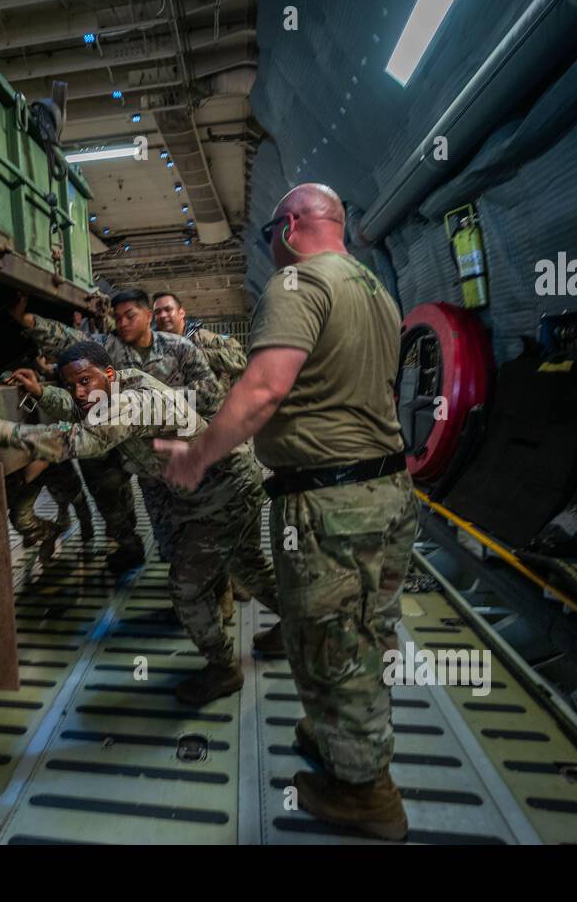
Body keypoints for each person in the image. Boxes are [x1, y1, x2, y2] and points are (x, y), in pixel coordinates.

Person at [154, 182, 416, 840]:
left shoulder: (298, 285)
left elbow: (265, 387)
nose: (270, 248)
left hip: (330, 503)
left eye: (271, 234)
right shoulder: (375, 289)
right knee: (366, 629)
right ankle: (339, 736)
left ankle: (365, 794)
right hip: (386, 493)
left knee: (335, 644)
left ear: (291, 226)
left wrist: (197, 456)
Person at [0, 342, 279, 705]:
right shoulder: (116, 387)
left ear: (109, 375)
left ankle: (224, 668)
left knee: (187, 587)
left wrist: (2, 430)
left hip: (223, 490)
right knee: (248, 565)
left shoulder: (132, 402)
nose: (79, 392)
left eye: (85, 381)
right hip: (226, 483)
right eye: (72, 385)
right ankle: (294, 628)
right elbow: (83, 407)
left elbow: (81, 438)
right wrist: (42, 392)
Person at [8, 288, 222, 575]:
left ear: (148, 317)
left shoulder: (179, 348)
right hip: (129, 454)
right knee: (116, 501)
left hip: (176, 456)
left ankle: (224, 580)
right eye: (116, 317)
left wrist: (158, 400)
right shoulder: (106, 348)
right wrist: (30, 322)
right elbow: (69, 341)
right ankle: (133, 548)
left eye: (129, 316)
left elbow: (211, 395)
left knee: (203, 531)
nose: (121, 323)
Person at [152, 290, 253, 605]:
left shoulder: (205, 338)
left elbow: (240, 360)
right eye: (157, 312)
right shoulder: (153, 352)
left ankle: (237, 577)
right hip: (184, 445)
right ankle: (219, 590)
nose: (163, 316)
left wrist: (193, 353)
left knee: (236, 514)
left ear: (182, 313)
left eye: (168, 310)